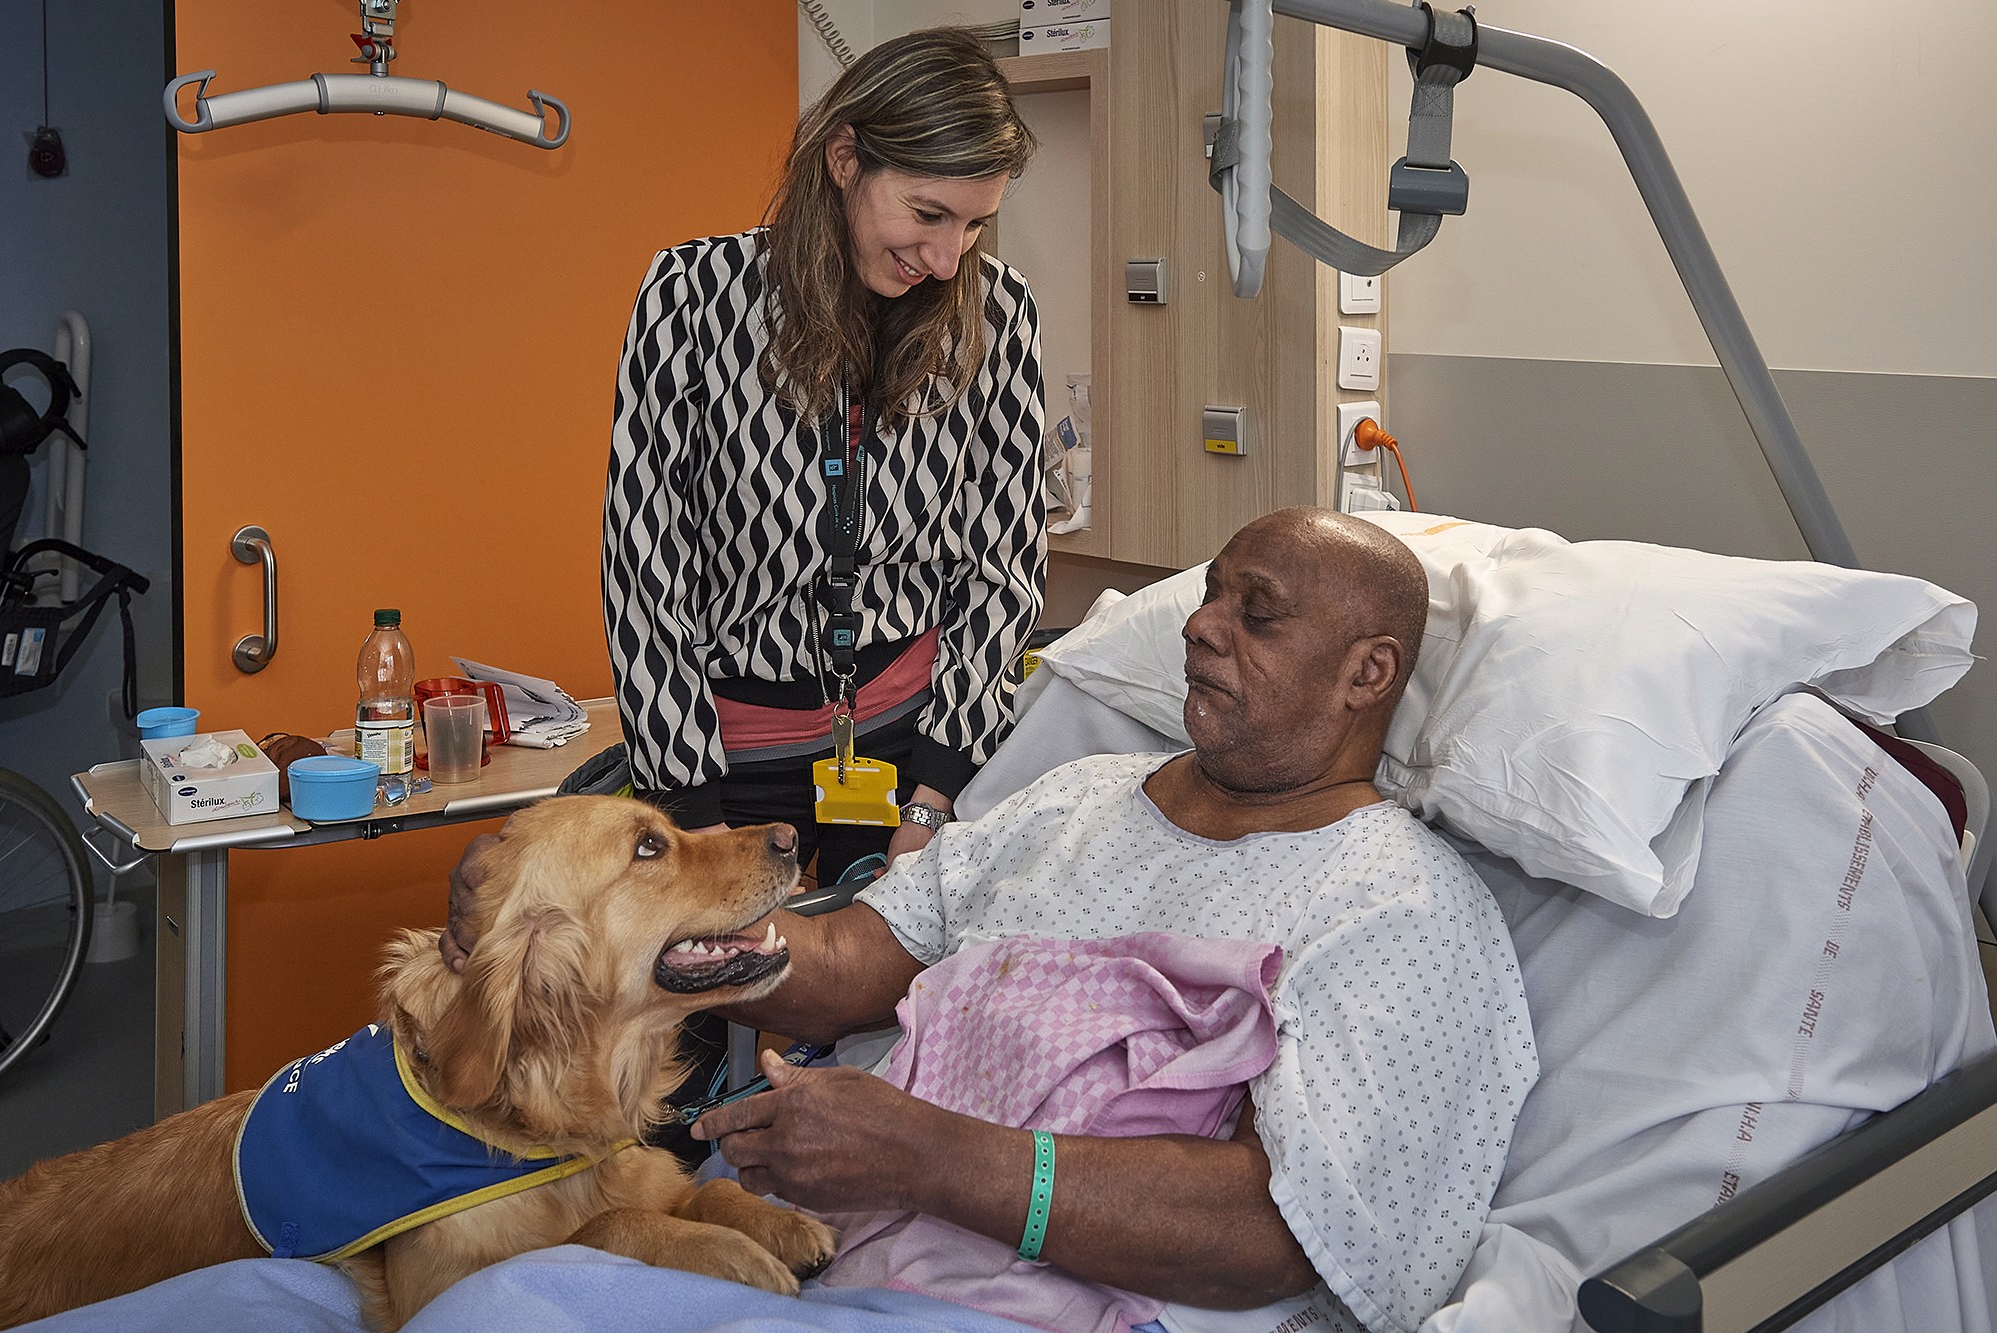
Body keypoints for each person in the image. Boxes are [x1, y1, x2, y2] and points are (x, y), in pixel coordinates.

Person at [447, 509, 1537, 1333]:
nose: (1201, 625)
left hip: (1052, 1308)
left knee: (497, 1311)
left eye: (1254, 612)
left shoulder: (1397, 910)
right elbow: (856, 954)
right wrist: (596, 925)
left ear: (1367, 674)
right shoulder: (1082, 798)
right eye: (1207, 596)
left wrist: (926, 1156)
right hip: (839, 1255)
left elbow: (1281, 1233)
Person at [603, 26, 1045, 887]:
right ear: (845, 159)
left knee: (888, 1019)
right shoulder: (689, 302)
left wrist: (933, 800)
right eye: (927, 214)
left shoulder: (996, 315)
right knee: (711, 1017)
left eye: (975, 225)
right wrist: (694, 827)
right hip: (726, 763)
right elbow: (644, 571)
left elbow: (1005, 567)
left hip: (915, 753)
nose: (949, 256)